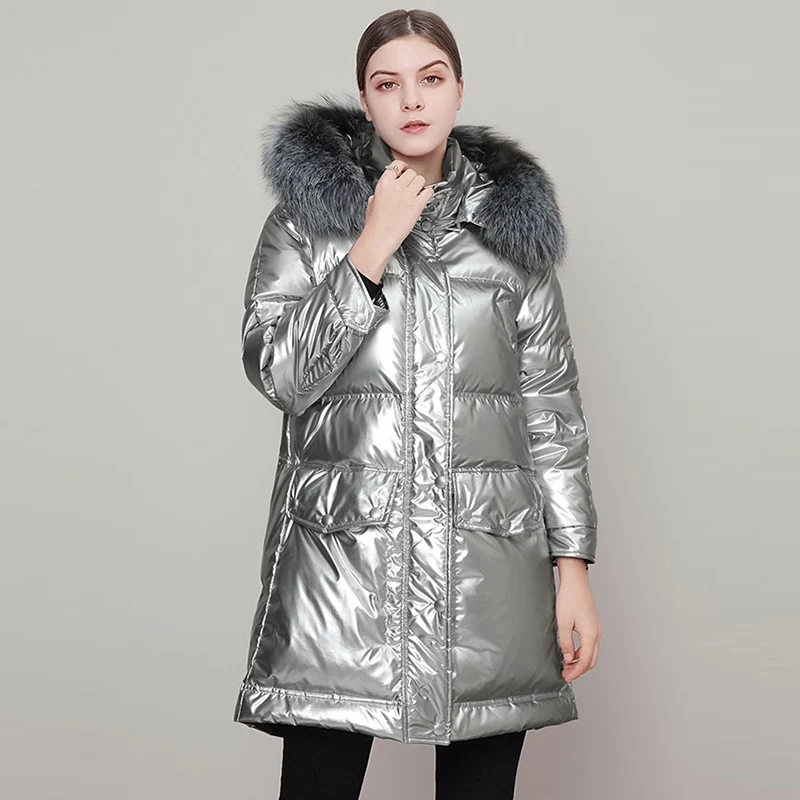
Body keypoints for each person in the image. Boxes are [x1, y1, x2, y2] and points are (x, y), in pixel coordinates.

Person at [233, 9, 602, 799]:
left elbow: (550, 410)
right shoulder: (306, 223)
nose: (411, 100)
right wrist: (370, 246)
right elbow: (281, 376)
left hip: (488, 572)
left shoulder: (512, 234)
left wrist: (572, 568)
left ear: (459, 90)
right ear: (365, 101)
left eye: (430, 79)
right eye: (387, 83)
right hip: (342, 567)